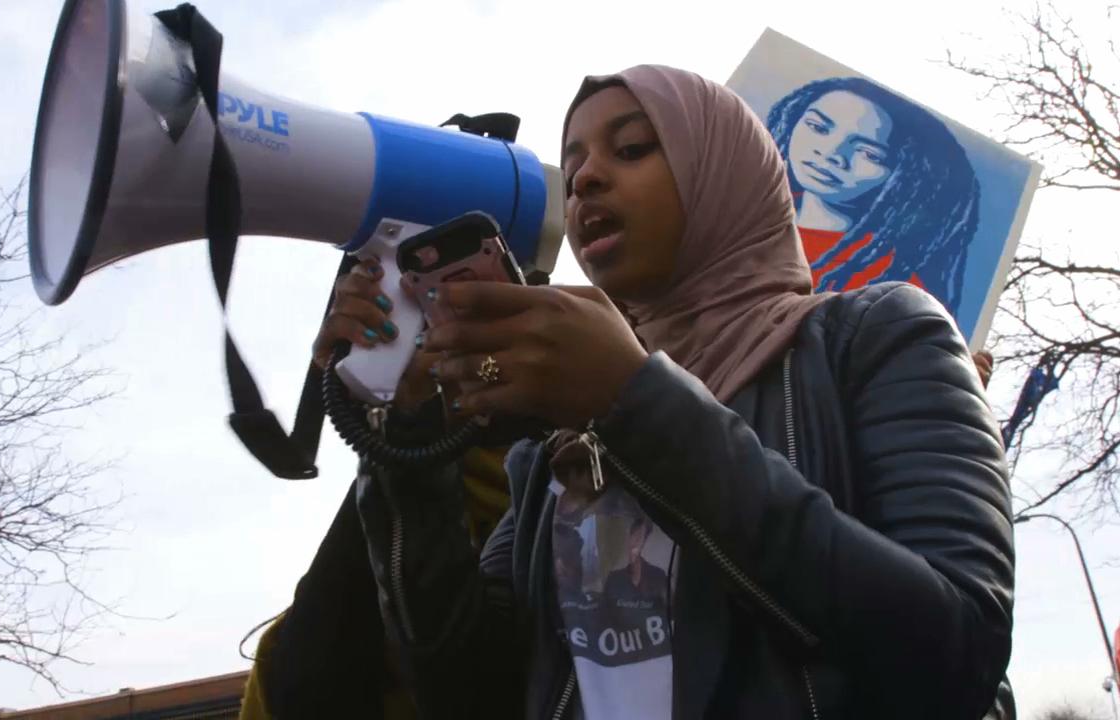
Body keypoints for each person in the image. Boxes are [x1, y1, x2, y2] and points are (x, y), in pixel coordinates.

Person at [310, 65, 1014, 719]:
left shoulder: (877, 336)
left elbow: (957, 650)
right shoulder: (545, 453)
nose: (584, 180)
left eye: (633, 148)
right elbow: (466, 693)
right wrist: (404, 436)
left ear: (722, 174)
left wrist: (634, 398)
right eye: (576, 161)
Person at [766, 76, 981, 314]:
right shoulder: (747, 208)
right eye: (818, 127)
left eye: (868, 153)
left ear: (903, 176)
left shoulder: (891, 288)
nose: (831, 153)